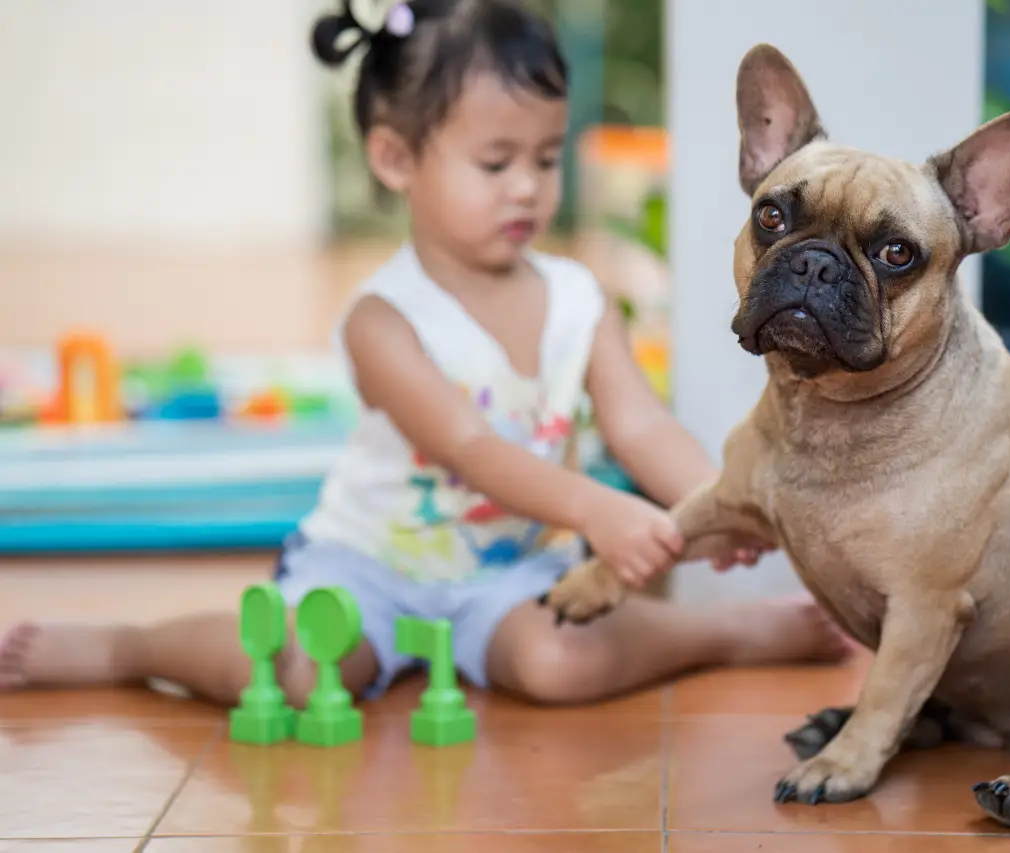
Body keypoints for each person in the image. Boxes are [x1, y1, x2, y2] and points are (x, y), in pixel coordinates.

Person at [0, 0, 854, 707]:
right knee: (301, 673)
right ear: (395, 157)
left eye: (546, 158)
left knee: (561, 666)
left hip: (516, 570)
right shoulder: (382, 320)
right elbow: (470, 448)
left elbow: (636, 422)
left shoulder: (577, 297)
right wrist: (599, 510)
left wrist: (709, 503)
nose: (527, 184)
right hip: (367, 562)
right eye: (495, 161)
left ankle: (727, 630)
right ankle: (127, 645)